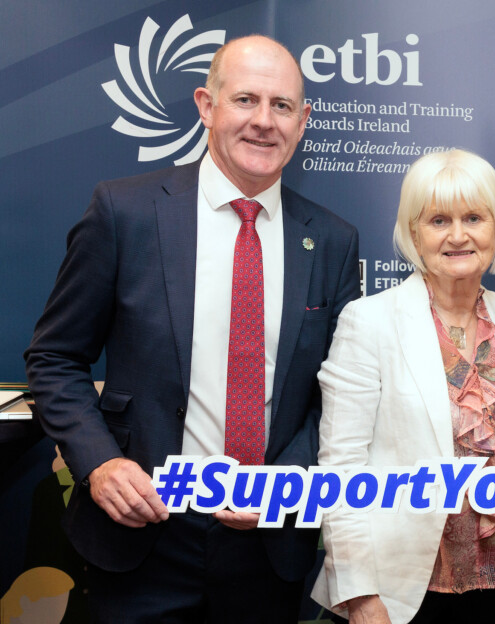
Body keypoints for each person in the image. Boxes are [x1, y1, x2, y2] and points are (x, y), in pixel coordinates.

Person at [24, 35, 360, 622]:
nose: (263, 121)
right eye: (245, 100)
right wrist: (99, 463)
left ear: (304, 121)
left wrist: (289, 482)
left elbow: (335, 396)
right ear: (206, 105)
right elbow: (54, 358)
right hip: (140, 536)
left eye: (282, 106)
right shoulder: (123, 212)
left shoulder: (332, 239)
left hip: (269, 551)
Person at [311, 149, 495, 624]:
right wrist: (360, 596)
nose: (458, 235)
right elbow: (341, 471)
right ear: (414, 233)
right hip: (397, 597)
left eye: (474, 217)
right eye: (438, 220)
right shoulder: (368, 321)